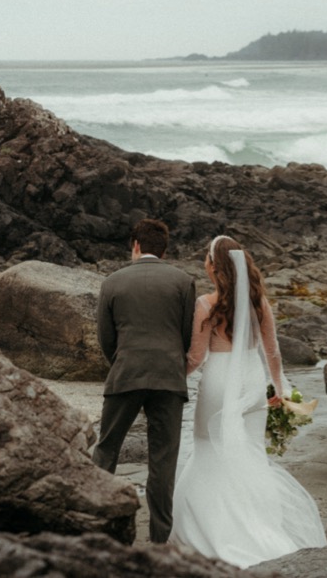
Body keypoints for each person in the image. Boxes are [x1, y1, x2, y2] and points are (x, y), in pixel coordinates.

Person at [169, 235, 325, 567]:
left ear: (214, 266)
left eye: (207, 259)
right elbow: (273, 351)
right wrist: (279, 388)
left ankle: (212, 530)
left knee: (208, 450)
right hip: (253, 382)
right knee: (252, 454)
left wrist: (170, 380)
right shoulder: (259, 302)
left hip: (219, 383)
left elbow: (196, 358)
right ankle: (260, 526)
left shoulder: (206, 305)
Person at [93, 218, 198, 543]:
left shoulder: (112, 281)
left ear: (135, 246)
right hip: (169, 377)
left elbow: (105, 337)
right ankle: (159, 536)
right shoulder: (183, 281)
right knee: (163, 458)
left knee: (107, 449)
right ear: (164, 249)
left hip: (126, 372)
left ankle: (96, 522)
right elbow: (186, 335)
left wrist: (123, 362)